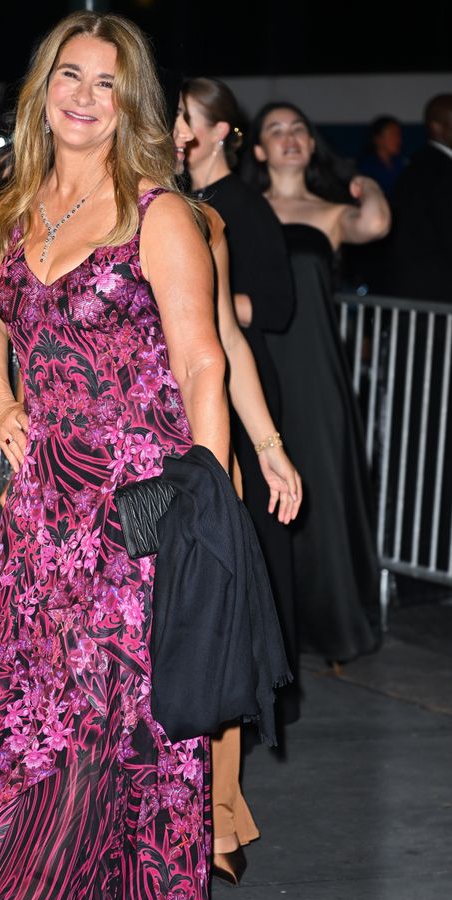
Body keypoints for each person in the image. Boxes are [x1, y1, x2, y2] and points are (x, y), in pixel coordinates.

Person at [0, 11, 296, 900]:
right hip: (41, 507)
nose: (85, 97)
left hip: (134, 507)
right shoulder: (13, 209)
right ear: (41, 89)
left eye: (107, 82)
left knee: (91, 715)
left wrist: (204, 494)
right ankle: (43, 899)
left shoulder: (160, 215)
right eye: (71, 75)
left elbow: (200, 358)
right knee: (14, 708)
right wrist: (7, 402)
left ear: (129, 102)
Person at [172, 95, 302, 883]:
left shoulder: (204, 221)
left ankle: (217, 817)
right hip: (101, 457)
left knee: (205, 630)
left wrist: (270, 447)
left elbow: (225, 340)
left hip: (196, 444)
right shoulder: (78, 212)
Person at [243, 101, 390, 664]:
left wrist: (365, 183)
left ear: (310, 143)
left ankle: (331, 625)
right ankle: (268, 626)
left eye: (297, 129)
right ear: (257, 149)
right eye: (275, 131)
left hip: (314, 366)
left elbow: (374, 223)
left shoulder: (328, 212)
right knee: (260, 490)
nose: (288, 138)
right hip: (254, 362)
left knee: (320, 486)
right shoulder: (241, 209)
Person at [179, 77, 298, 701]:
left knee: (251, 531)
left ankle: (260, 680)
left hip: (235, 372)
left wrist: (190, 301)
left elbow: (275, 306)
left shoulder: (241, 207)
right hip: (201, 373)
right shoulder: (178, 200)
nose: (176, 129)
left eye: (188, 118)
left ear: (221, 130)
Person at [390, 93, 452, 302]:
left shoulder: (418, 167)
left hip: (417, 293)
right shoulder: (440, 172)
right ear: (437, 127)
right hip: (437, 296)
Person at [357, 115, 405, 199]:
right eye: (393, 134)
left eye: (398, 135)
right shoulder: (366, 166)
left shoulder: (400, 163)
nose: (398, 140)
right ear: (377, 139)